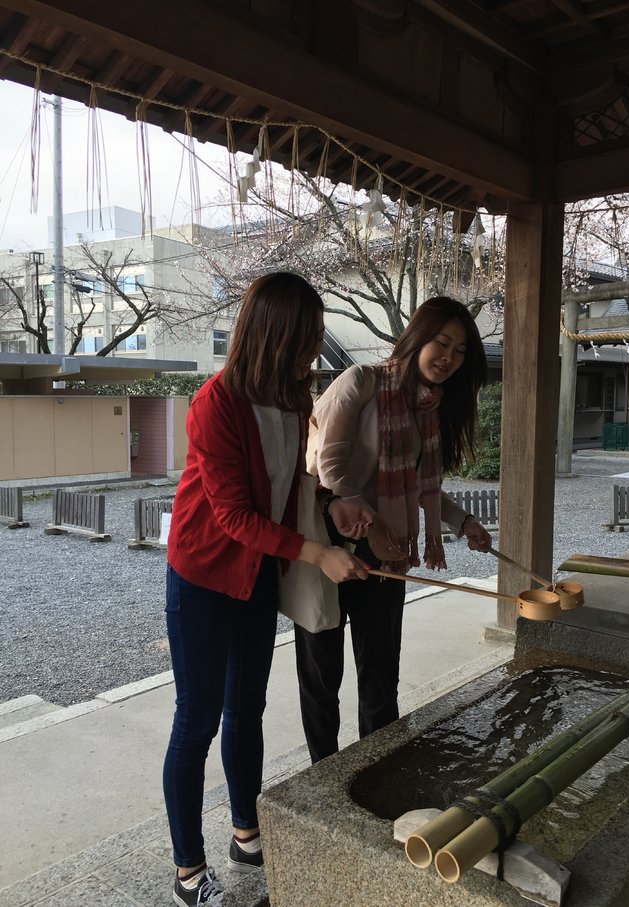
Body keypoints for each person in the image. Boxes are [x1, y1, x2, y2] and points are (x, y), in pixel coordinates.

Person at [163, 272, 368, 906]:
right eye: (308, 334)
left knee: (245, 708)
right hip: (201, 576)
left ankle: (244, 831)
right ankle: (189, 873)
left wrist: (332, 509)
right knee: (197, 721)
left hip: (253, 577)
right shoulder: (215, 404)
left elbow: (292, 486)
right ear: (276, 334)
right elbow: (231, 516)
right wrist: (317, 555)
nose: (315, 346)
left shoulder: (290, 398)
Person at [296, 295, 492, 764]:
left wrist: (463, 523)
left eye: (460, 351)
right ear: (417, 338)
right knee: (322, 677)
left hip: (387, 557)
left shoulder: (430, 409)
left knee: (381, 676)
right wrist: (375, 523)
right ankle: (323, 779)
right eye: (441, 343)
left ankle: (378, 770)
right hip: (330, 550)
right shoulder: (361, 381)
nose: (448, 358)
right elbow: (327, 466)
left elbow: (424, 487)